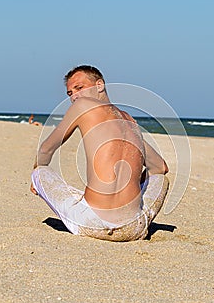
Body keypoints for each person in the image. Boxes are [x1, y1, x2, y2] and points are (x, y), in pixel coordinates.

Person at [31, 65, 169, 241]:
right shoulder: (130, 121)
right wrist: (137, 184)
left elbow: (46, 149)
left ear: (99, 85)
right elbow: (160, 167)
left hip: (93, 224)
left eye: (79, 88)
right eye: (70, 93)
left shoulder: (83, 105)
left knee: (40, 171)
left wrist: (37, 175)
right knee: (161, 180)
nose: (74, 96)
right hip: (134, 228)